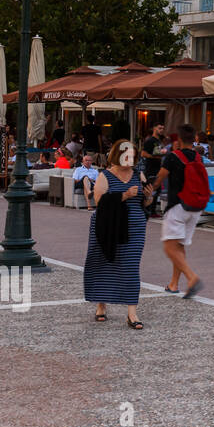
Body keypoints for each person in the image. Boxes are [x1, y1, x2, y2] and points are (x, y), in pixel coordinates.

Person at [83, 139, 153, 329]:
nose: (131, 159)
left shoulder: (139, 175)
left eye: (133, 156)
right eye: (127, 155)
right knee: (103, 262)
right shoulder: (105, 175)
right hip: (108, 226)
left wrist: (148, 196)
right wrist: (124, 196)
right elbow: (100, 202)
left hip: (135, 227)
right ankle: (101, 304)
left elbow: (145, 204)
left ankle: (132, 314)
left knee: (130, 266)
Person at [151, 123, 204, 298]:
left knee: (169, 248)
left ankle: (192, 277)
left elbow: (159, 179)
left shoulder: (173, 157)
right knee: (179, 246)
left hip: (177, 206)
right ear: (194, 138)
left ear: (179, 139)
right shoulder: (198, 157)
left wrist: (150, 188)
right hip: (195, 207)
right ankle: (173, 284)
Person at [141, 123, 166, 216]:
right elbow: (143, 153)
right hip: (151, 168)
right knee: (152, 189)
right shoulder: (150, 140)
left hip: (158, 168)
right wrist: (154, 156)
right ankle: (149, 210)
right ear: (154, 128)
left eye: (163, 128)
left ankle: (153, 210)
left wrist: (162, 154)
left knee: (157, 189)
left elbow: (158, 152)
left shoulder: (159, 141)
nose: (161, 130)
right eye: (159, 128)